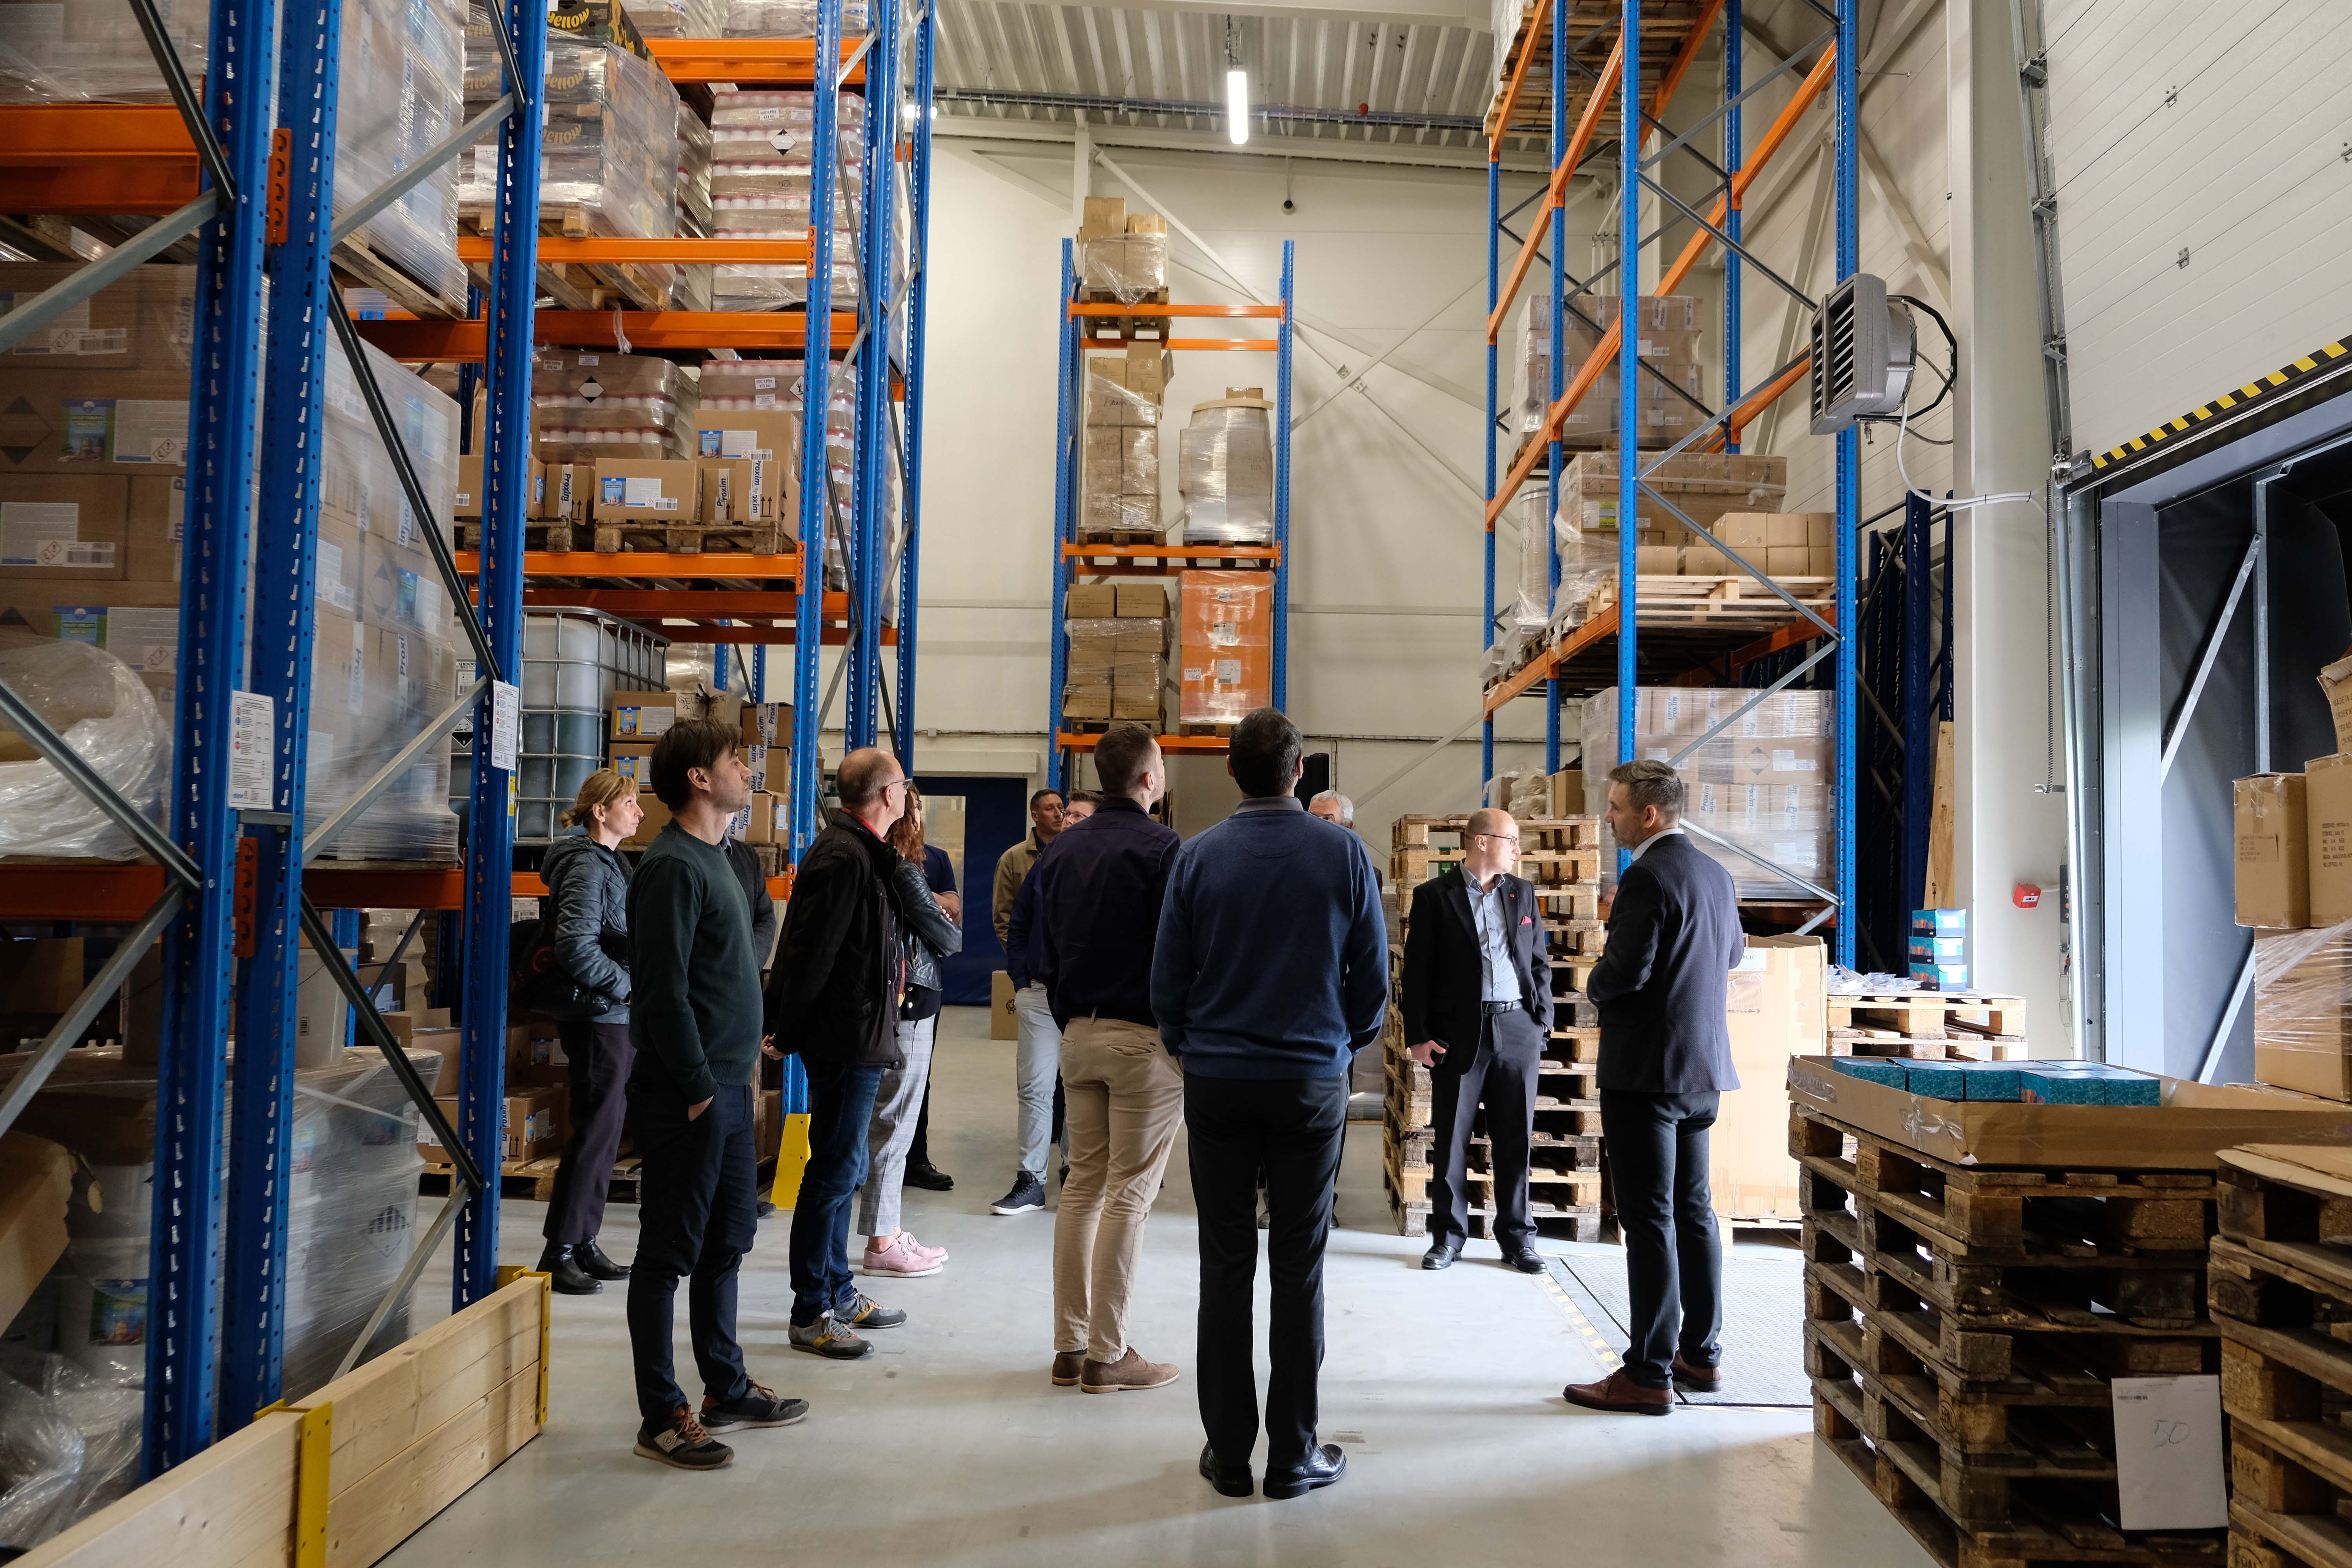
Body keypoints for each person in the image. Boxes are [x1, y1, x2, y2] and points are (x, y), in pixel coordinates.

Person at [1152, 707, 1387, 1501]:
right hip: (1310, 1083)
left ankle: (1228, 1454)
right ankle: (1293, 1454)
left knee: (1225, 1265)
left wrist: (1190, 1044)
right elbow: (1372, 978)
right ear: (1299, 772)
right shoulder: (1343, 854)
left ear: (1230, 769)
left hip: (1219, 1080)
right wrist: (1339, 1043)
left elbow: (1167, 979)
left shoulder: (1197, 856)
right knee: (1299, 1264)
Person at [624, 720, 806, 1472]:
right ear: (699, 779)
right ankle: (661, 1415)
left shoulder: (724, 858)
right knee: (667, 1253)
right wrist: (699, 1084)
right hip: (689, 1094)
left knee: (728, 1239)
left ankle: (725, 1387)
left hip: (730, 1086)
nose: (748, 771)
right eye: (736, 761)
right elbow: (661, 992)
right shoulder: (672, 867)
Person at [1564, 759, 1744, 1416]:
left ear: (1649, 813)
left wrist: (1592, 979)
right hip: (1703, 1072)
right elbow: (1733, 955)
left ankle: (1646, 1372)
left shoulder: (1647, 876)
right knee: (1694, 1210)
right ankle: (1702, 1354)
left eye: (1616, 807)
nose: (1608, 817)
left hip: (1647, 1073)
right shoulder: (1716, 874)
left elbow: (1626, 972)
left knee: (1648, 1219)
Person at [1034, 726, 1183, 1394]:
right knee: (1129, 1194)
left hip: (1077, 1032)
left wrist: (1069, 1013)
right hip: (1141, 1038)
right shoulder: (1163, 848)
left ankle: (1070, 1349)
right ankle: (1108, 1353)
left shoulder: (1063, 847)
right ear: (1149, 779)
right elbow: (1180, 950)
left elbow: (1044, 947)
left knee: (1082, 1187)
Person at [766, 748, 913, 1360]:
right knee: (831, 1174)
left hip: (860, 1034)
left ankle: (839, 1291)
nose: (908, 794)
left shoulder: (863, 851)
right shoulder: (844, 856)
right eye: (903, 785)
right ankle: (811, 1311)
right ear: (886, 794)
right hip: (844, 1038)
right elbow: (811, 952)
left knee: (843, 1168)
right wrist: (786, 1029)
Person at [1399, 808, 1552, 1273]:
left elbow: (1538, 962)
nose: (1518, 849)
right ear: (1482, 842)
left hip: (1517, 1029)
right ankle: (1448, 1238)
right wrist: (1418, 1036)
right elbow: (1416, 973)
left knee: (1515, 1139)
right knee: (1451, 1139)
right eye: (1511, 840)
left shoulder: (1522, 892)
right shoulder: (1434, 897)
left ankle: (1518, 1239)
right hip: (1458, 1034)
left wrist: (1541, 1022)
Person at [537, 770, 643, 1296]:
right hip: (600, 1015)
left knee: (606, 1127)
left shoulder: (610, 862)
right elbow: (575, 947)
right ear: (600, 812)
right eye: (629, 803)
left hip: (612, 1015)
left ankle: (583, 1240)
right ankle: (559, 1250)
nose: (639, 812)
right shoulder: (585, 865)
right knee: (596, 1128)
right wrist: (628, 990)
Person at [858, 783, 961, 1278]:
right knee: (895, 1123)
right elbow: (950, 937)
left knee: (885, 1120)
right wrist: (937, 914)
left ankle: (888, 1232)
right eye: (914, 806)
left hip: (891, 1002)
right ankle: (883, 1242)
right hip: (911, 1004)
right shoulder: (904, 869)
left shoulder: (871, 861)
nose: (917, 815)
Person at [991, 787, 1067, 1216]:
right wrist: (1021, 978)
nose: (1064, 817)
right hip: (1038, 989)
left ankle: (1076, 1171)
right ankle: (1031, 1179)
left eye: (1070, 811)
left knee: (1079, 1087)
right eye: (1057, 810)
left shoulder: (1099, 864)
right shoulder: (1026, 862)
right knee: (1036, 1087)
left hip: (1084, 995)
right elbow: (1012, 921)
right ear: (1035, 814)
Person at [904, 837, 962, 1194]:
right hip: (880, 981)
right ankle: (863, 1162)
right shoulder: (875, 852)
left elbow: (953, 911)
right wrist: (933, 901)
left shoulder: (937, 858)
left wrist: (923, 897)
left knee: (918, 1075)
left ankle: (916, 1159)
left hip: (923, 980)